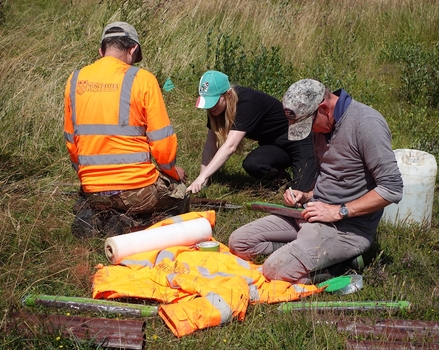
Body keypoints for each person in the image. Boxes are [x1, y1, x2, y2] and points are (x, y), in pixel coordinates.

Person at [229, 79, 403, 284]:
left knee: (274, 271)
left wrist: (338, 211)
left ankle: (341, 264)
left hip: (347, 228)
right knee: (239, 243)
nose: (310, 132)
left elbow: (392, 188)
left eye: (308, 125)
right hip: (310, 214)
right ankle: (304, 252)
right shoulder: (322, 126)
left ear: (323, 109)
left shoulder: (366, 123)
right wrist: (306, 195)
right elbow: (330, 179)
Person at [64, 21, 189, 237]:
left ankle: (101, 217)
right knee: (181, 194)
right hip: (137, 191)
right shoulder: (143, 79)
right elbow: (162, 144)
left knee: (103, 199)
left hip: (92, 189)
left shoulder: (74, 80)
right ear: (132, 49)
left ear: (101, 50)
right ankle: (137, 221)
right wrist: (172, 172)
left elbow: (71, 142)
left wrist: (88, 177)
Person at [186, 70, 316, 194]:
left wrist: (203, 176)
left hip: (298, 141)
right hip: (273, 145)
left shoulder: (247, 103)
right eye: (207, 103)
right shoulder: (215, 109)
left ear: (228, 94)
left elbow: (230, 146)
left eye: (213, 102)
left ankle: (311, 170)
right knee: (253, 164)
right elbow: (210, 146)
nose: (210, 107)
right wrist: (203, 179)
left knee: (302, 191)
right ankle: (282, 179)